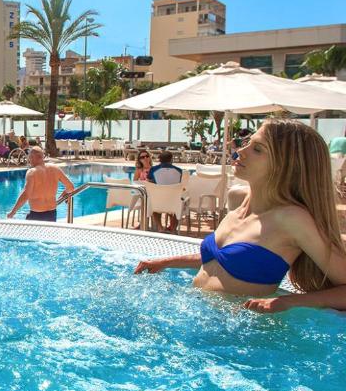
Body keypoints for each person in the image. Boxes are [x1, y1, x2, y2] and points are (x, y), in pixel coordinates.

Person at [134, 119, 346, 300]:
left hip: (240, 339)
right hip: (200, 317)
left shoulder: (292, 218)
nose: (240, 152)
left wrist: (288, 303)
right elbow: (222, 260)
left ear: (286, 165)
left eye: (257, 149)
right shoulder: (237, 198)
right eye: (247, 144)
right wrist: (165, 262)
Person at [6, 146, 75, 222]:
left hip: (36, 214)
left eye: (29, 158)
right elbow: (70, 187)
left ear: (32, 157)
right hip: (52, 214)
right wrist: (64, 194)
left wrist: (12, 212)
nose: (29, 160)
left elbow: (26, 194)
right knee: (48, 234)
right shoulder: (55, 169)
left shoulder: (32, 172)